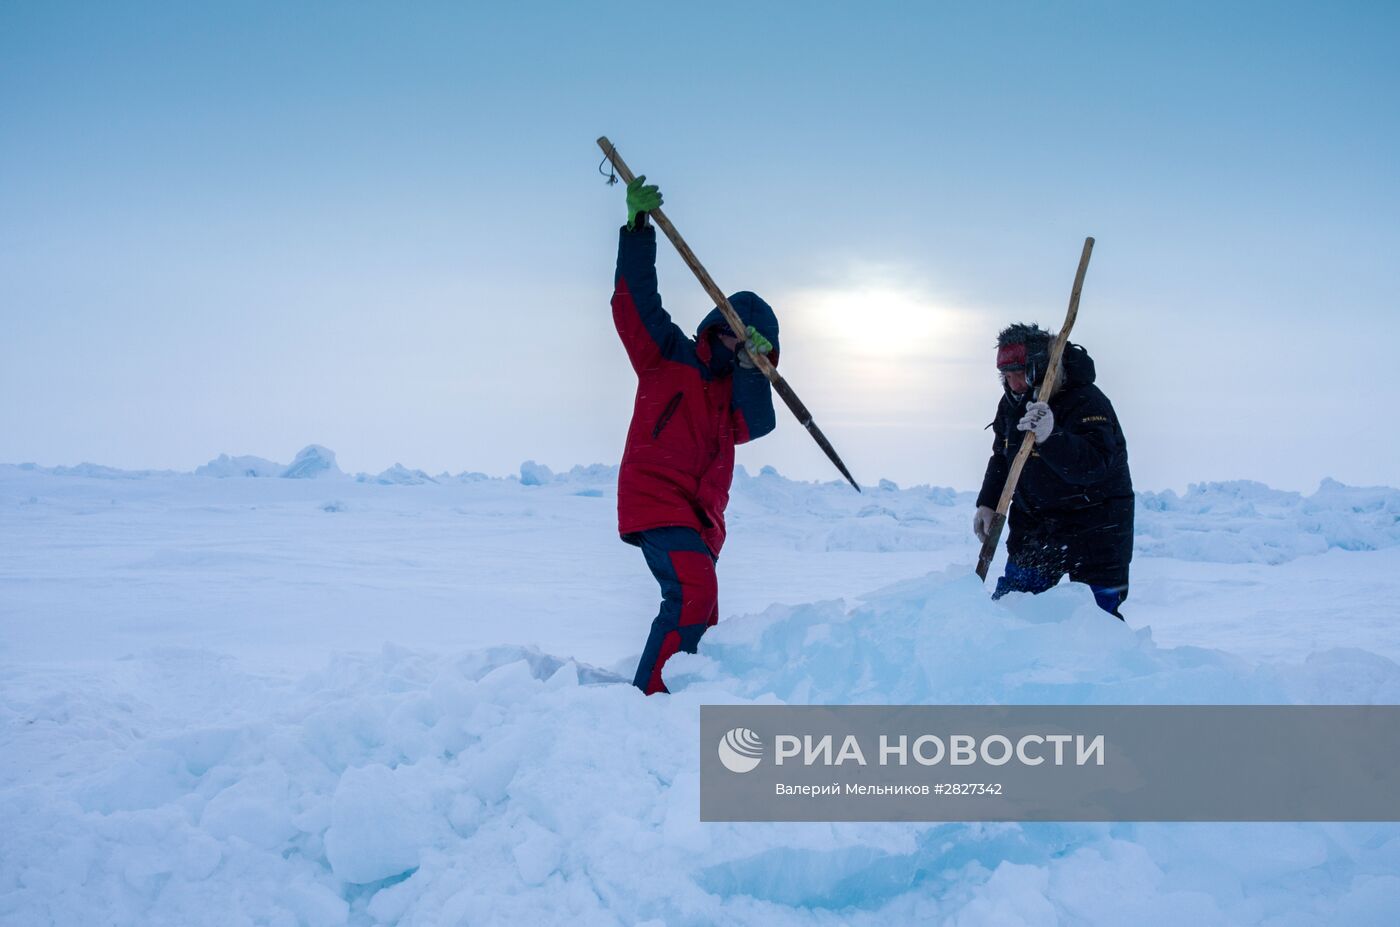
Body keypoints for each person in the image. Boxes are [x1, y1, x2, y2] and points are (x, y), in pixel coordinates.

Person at [611, 176, 780, 693]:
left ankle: (684, 705)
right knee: (692, 591)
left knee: (703, 614)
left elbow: (759, 423)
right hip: (657, 498)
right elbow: (634, 303)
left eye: (755, 344)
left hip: (701, 518)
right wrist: (638, 229)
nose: (740, 346)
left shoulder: (737, 394)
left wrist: (754, 368)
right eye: (733, 332)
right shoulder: (668, 357)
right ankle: (647, 702)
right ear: (713, 328)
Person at [974, 323, 1134, 618]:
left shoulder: (1086, 400)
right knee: (1012, 613)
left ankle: (1105, 665)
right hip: (1037, 527)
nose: (1013, 385)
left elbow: (1094, 467)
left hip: (1096, 529)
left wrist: (1053, 436)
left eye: (1019, 375)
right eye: (1006, 377)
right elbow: (1002, 455)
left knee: (1097, 621)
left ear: (1039, 367)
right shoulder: (1011, 403)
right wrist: (988, 502)